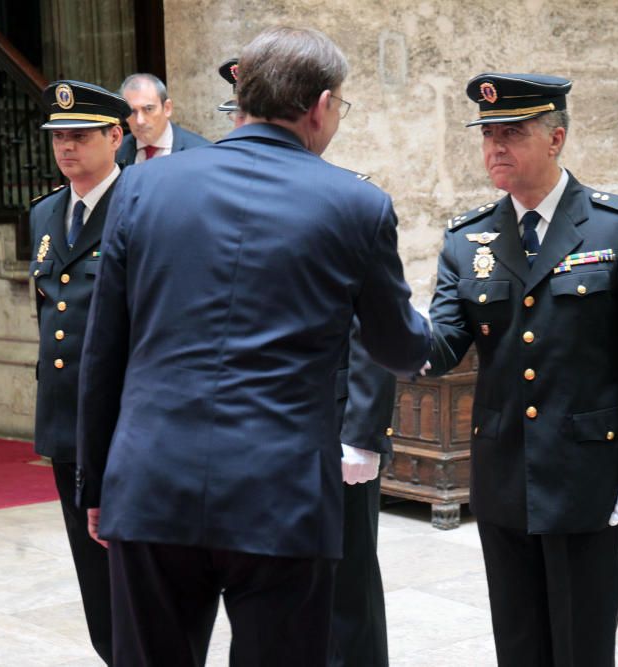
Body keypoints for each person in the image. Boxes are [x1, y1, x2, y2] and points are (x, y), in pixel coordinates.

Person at [76, 27, 429, 666]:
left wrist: (98, 482)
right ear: (321, 105)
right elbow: (400, 348)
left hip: (152, 482)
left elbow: (104, 350)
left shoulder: (141, 188)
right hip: (281, 496)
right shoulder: (357, 203)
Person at [427, 73, 618, 666]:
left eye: (511, 133)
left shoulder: (617, 227)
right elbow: (438, 345)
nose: (495, 148)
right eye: (488, 135)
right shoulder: (469, 239)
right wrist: (372, 313)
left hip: (586, 475)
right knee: (517, 641)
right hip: (503, 473)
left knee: (581, 641)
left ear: (556, 137)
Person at [216, 55, 396, 667]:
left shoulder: (349, 200)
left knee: (347, 588)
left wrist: (362, 433)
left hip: (331, 427)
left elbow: (370, 330)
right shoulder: (215, 205)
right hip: (251, 435)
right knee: (266, 593)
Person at [27, 80, 131, 665]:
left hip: (123, 418)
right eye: (58, 138)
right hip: (67, 418)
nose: (66, 148)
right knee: (90, 567)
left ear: (115, 137)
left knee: (130, 559)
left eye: (80, 136)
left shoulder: (140, 205)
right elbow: (47, 312)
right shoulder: (44, 212)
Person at [116, 72, 208, 164]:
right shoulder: (114, 151)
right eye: (132, 112)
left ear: (167, 108)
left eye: (148, 109)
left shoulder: (200, 152)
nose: (140, 121)